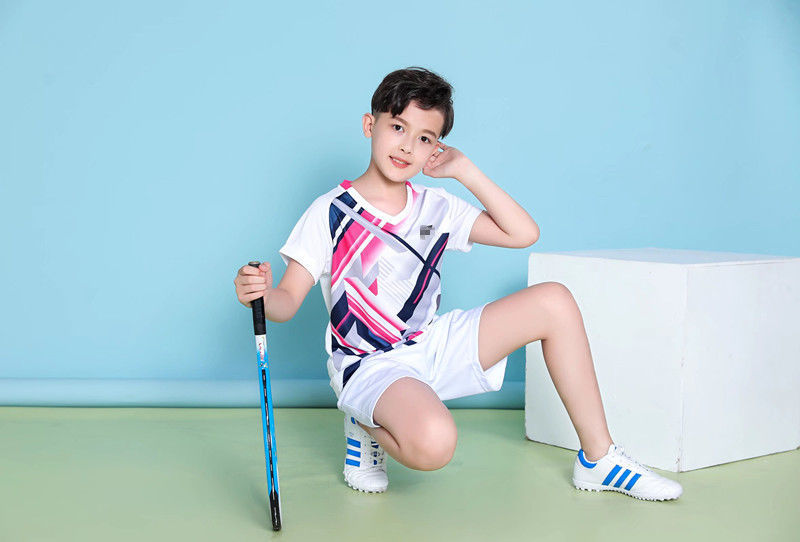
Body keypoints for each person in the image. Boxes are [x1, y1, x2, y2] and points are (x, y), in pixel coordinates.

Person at [233, 66, 683, 501]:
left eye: (424, 138)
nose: (407, 146)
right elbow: (287, 302)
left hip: (431, 344)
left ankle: (598, 459)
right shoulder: (331, 211)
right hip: (369, 364)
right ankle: (363, 420)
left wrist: (464, 170)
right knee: (434, 446)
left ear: (436, 148)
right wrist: (261, 295)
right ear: (370, 125)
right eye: (397, 127)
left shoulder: (437, 206)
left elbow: (523, 234)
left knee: (555, 301)